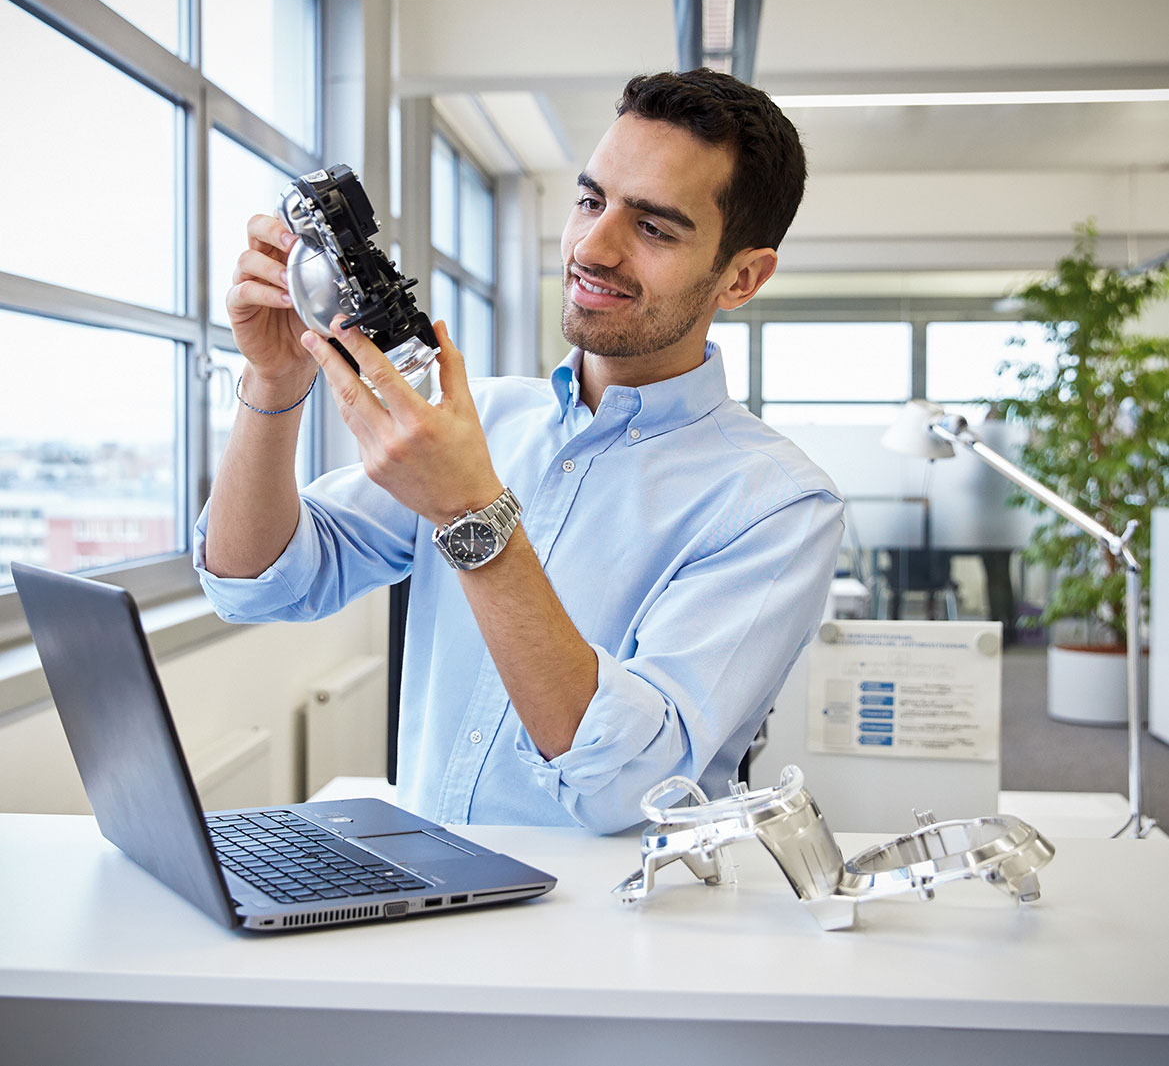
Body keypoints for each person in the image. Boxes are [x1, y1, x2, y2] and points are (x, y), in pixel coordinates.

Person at [196, 68, 843, 834]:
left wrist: (473, 513)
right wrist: (273, 382)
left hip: (608, 939)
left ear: (741, 276)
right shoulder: (487, 418)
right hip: (427, 893)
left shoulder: (776, 503)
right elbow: (256, 583)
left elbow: (623, 783)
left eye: (653, 227)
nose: (591, 247)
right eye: (590, 200)